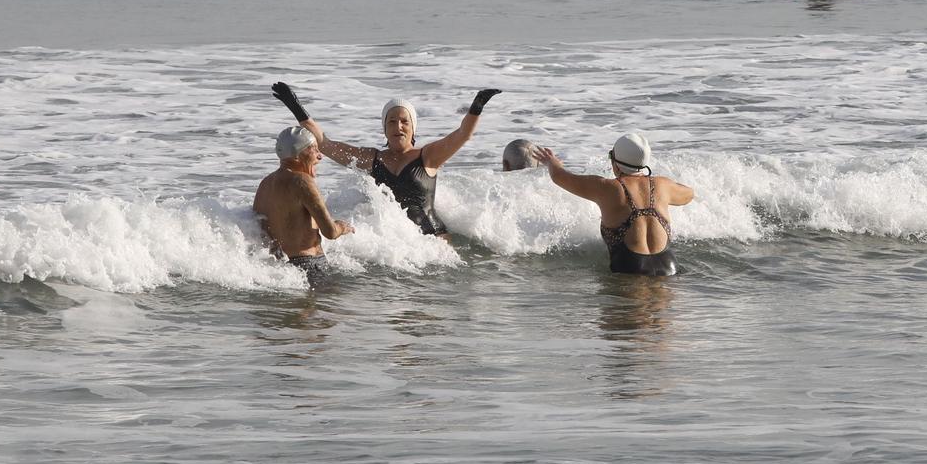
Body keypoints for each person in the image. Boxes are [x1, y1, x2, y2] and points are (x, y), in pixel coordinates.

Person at [315, 89, 502, 237]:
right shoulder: (372, 159)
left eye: (405, 121)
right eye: (392, 122)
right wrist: (294, 105)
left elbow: (463, 134)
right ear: (384, 129)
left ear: (413, 128)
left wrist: (477, 105)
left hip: (434, 242)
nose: (398, 127)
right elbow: (325, 145)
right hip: (395, 245)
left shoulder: (428, 156)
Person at [532, 133, 695, 277]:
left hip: (630, 269)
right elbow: (689, 194)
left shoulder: (607, 188)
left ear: (615, 163)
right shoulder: (663, 185)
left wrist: (552, 162)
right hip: (669, 267)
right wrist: (665, 187)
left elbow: (560, 177)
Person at [253, 121, 354, 285]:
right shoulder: (302, 181)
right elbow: (330, 232)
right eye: (314, 149)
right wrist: (343, 227)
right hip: (311, 266)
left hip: (285, 270)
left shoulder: (265, 184)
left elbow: (263, 235)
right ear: (297, 154)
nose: (320, 156)